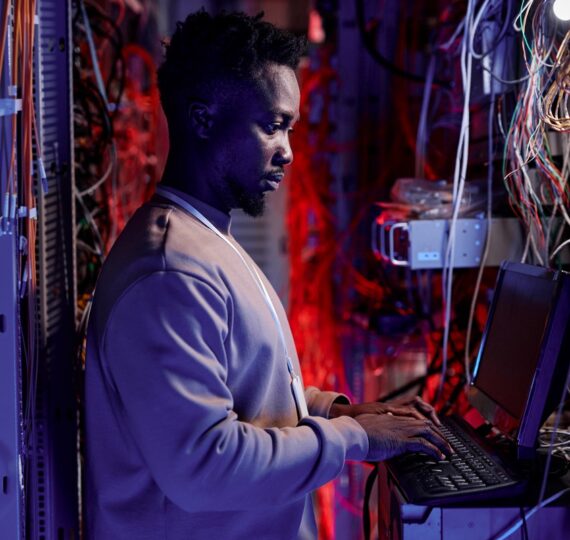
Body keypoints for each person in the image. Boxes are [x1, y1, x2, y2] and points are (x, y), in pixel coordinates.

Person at [84, 10, 451, 540]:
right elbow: (204, 468)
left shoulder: (204, 241)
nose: (289, 151)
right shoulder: (168, 274)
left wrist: (341, 411)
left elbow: (241, 396)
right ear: (204, 119)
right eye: (273, 126)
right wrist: (352, 439)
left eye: (291, 128)